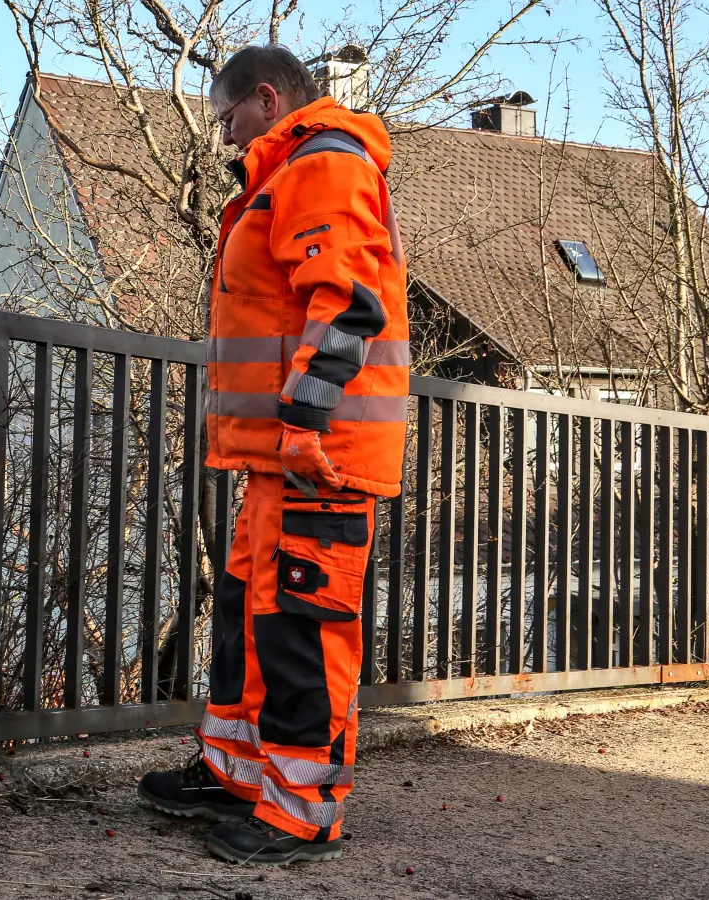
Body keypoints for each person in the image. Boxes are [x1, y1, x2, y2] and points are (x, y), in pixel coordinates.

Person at [137, 46, 409, 865]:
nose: (222, 134)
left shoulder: (322, 164)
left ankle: (302, 811)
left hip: (314, 452)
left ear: (266, 98)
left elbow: (349, 304)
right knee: (250, 620)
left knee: (301, 627)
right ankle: (238, 773)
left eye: (227, 117)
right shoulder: (286, 174)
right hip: (280, 458)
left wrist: (303, 421)